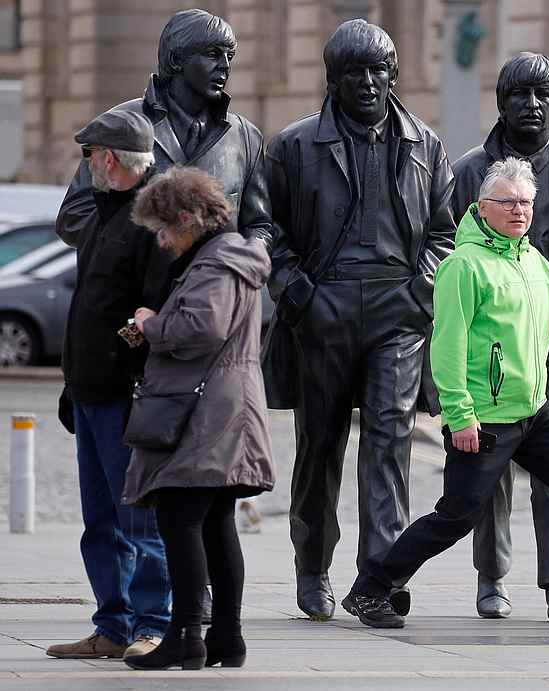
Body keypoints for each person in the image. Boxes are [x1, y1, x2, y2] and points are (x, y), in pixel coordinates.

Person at [342, 157, 549, 632]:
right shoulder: (463, 266)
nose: (519, 211)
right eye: (508, 202)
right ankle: (372, 587)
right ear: (483, 206)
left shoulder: (534, 263)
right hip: (487, 418)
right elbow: (448, 345)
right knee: (456, 516)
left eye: (526, 202)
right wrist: (459, 415)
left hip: (535, 413)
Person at [264, 19, 455, 621]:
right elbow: (268, 230)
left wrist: (419, 289)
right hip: (326, 306)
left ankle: (379, 577)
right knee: (319, 445)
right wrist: (300, 294)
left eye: (378, 69)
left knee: (390, 443)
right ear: (333, 78)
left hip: (398, 310)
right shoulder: (295, 146)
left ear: (393, 74)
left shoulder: (426, 144)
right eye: (355, 71)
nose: (369, 82)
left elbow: (446, 232)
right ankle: (312, 565)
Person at [450, 52, 549, 621]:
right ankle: (492, 578)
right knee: (490, 480)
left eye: (542, 95)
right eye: (518, 95)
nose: (531, 105)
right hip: (489, 353)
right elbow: (448, 256)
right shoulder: (471, 172)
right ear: (501, 104)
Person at [120, 166, 275, 671]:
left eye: (164, 229)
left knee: (179, 516)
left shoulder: (216, 262)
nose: (162, 241)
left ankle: (186, 634)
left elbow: (201, 328)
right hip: (226, 402)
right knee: (214, 522)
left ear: (187, 217)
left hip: (209, 411)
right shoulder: (229, 257)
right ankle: (226, 638)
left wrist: (152, 323)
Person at [45, 110, 172, 662]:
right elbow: (89, 305)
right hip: (90, 392)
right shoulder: (102, 214)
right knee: (99, 522)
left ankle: (153, 624)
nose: (86, 164)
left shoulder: (151, 223)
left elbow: (154, 308)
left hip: (126, 395)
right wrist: (75, 380)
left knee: (138, 519)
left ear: (111, 159)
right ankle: (112, 625)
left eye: (89, 154)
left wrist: (122, 350)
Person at [56, 8, 271, 248]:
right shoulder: (121, 124)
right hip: (140, 284)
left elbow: (260, 226)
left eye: (229, 56)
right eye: (212, 54)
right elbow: (73, 217)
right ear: (176, 59)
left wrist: (243, 261)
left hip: (215, 283)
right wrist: (152, 243)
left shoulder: (245, 136)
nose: (225, 65)